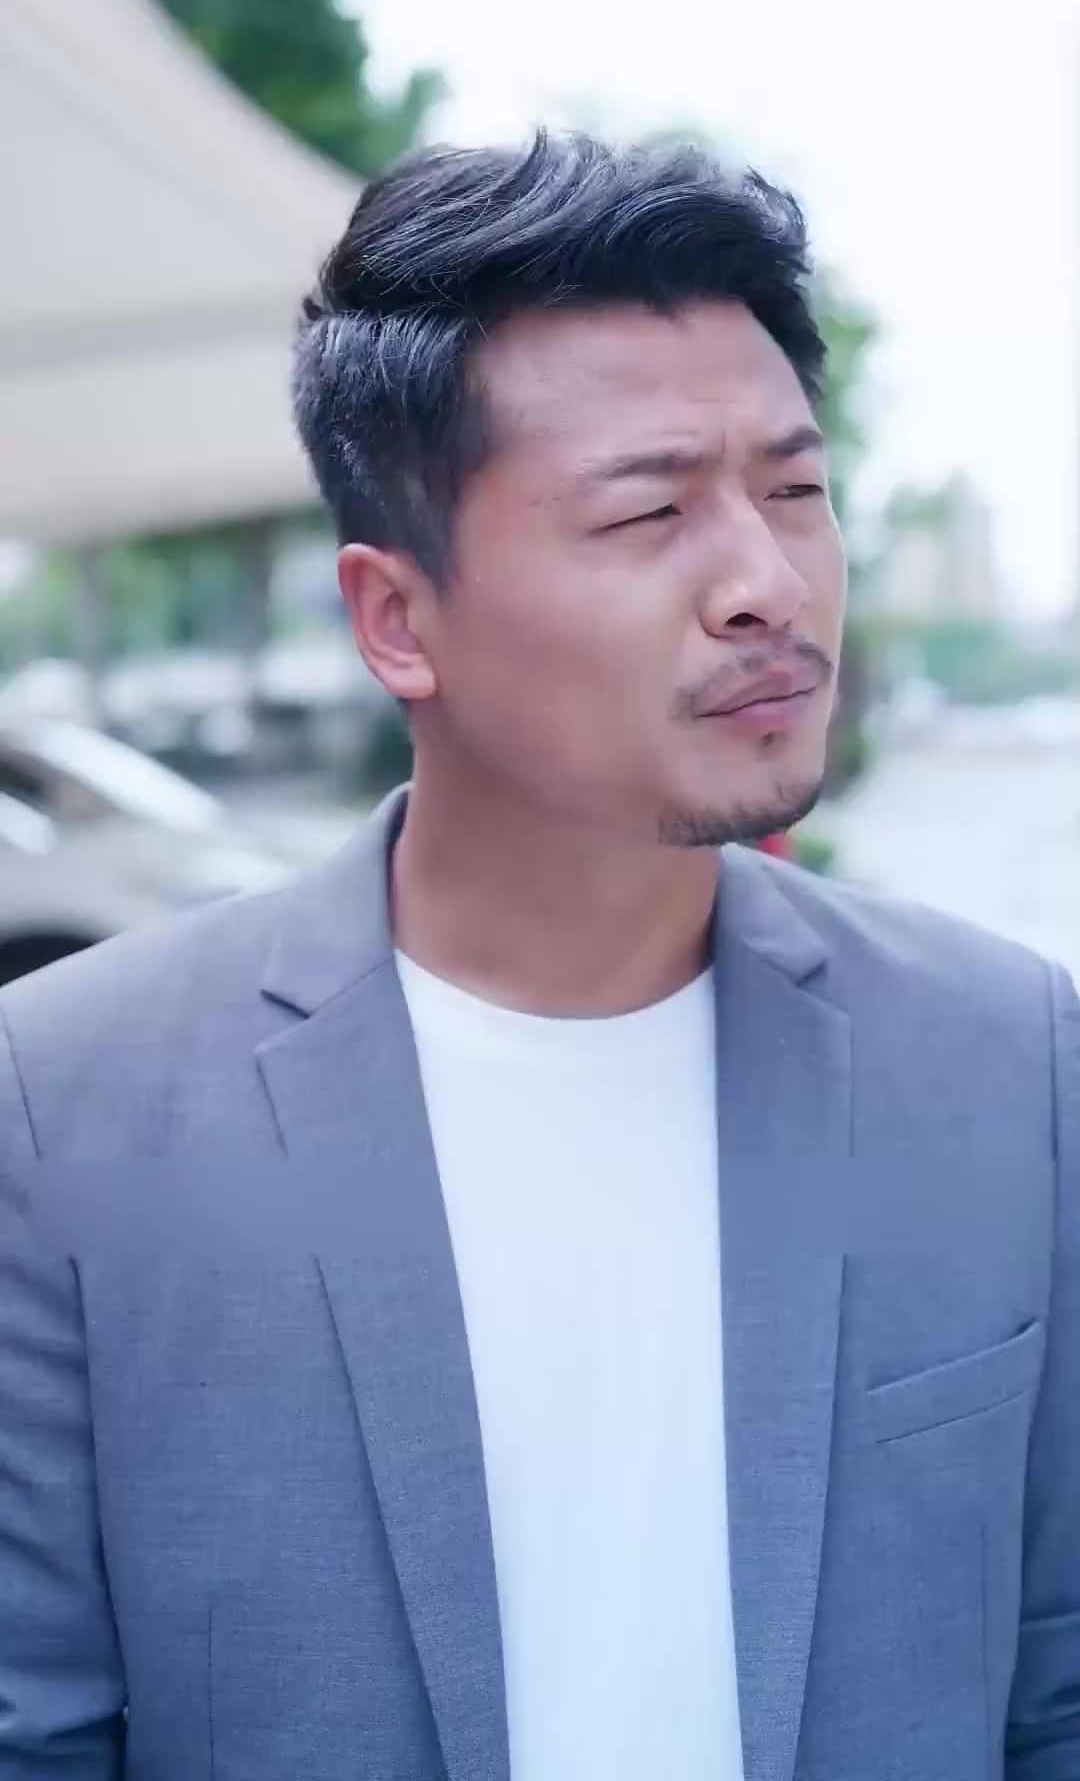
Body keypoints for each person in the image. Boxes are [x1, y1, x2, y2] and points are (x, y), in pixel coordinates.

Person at [1, 133, 1077, 1781]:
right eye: (648, 510)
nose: (766, 582)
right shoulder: (69, 1107)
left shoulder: (1007, 1057)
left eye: (797, 492)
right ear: (396, 619)